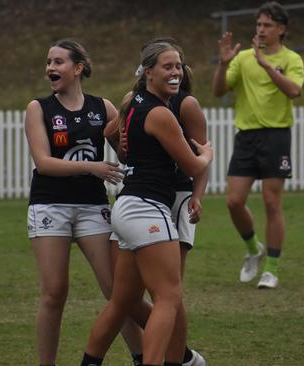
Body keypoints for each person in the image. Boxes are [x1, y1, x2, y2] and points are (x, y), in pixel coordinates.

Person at [80, 41, 213, 366]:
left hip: (126, 206)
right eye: (167, 67)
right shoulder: (160, 113)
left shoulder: (136, 103)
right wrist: (207, 153)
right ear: (148, 72)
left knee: (122, 301)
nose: (176, 72)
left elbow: (122, 143)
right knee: (168, 298)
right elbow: (194, 165)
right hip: (146, 209)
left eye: (178, 66)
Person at [24, 39, 144, 366]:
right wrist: (92, 166)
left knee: (116, 291)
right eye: (49, 61)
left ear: (78, 68)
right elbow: (44, 163)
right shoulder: (39, 109)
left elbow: (124, 152)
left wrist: (130, 115)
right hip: (50, 207)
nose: (51, 68)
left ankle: (142, 357)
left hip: (93, 207)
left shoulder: (102, 108)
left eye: (58, 62)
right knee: (54, 292)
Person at [211, 1, 304, 289]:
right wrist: (225, 62)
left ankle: (272, 270)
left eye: (267, 25)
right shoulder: (243, 58)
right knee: (234, 200)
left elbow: (294, 90)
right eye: (258, 25)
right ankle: (254, 249)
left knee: (271, 201)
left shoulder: (292, 59)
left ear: (281, 29)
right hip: (247, 136)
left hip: (276, 135)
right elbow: (217, 91)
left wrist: (267, 65)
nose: (261, 30)